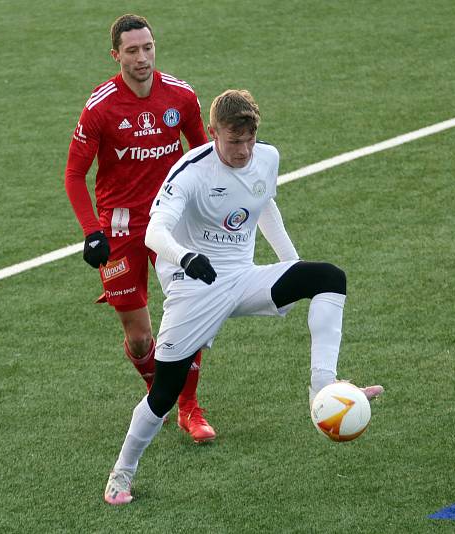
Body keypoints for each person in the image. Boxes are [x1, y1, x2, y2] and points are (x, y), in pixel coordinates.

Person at [103, 89, 384, 505]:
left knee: (328, 278)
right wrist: (187, 255)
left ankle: (322, 391)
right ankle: (120, 476)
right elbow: (154, 232)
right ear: (212, 132)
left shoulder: (266, 157)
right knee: (163, 394)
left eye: (250, 140)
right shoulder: (190, 173)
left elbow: (263, 202)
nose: (244, 150)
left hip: (243, 277)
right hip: (193, 286)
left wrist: (292, 264)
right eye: (235, 142)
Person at [64, 14, 216, 442]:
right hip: (120, 228)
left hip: (171, 223)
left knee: (189, 314)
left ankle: (189, 408)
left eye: (147, 47)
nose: (142, 57)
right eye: (131, 51)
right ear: (116, 55)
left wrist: (210, 208)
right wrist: (91, 231)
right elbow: (74, 175)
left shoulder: (182, 96)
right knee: (138, 337)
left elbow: (202, 155)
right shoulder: (100, 106)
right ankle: (158, 392)